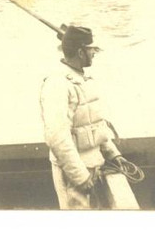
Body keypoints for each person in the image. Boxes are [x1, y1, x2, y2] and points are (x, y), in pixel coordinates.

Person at [40, 24, 137, 210]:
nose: (94, 54)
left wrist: (113, 154)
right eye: (92, 50)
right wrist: (80, 176)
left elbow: (95, 125)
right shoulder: (57, 85)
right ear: (80, 52)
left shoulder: (83, 79)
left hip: (95, 166)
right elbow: (57, 136)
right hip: (74, 174)